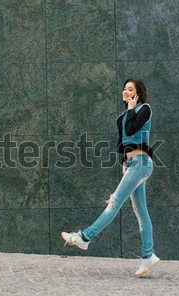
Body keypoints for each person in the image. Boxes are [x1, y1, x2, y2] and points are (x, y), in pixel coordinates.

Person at [61, 78, 159, 277]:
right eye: (124, 89)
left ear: (138, 93)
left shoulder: (144, 109)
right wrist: (124, 161)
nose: (125, 92)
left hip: (142, 163)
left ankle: (85, 237)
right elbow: (122, 142)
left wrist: (132, 108)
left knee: (114, 202)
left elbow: (132, 130)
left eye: (130, 89)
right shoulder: (122, 117)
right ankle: (148, 256)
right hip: (132, 164)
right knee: (140, 211)